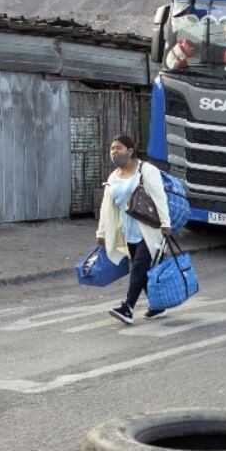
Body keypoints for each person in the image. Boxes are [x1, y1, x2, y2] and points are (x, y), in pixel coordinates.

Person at [97, 136, 173, 325]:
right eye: (112, 148)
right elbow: (106, 206)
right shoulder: (113, 176)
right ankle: (157, 307)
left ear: (130, 151)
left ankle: (128, 308)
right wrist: (102, 232)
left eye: (118, 148)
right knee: (141, 270)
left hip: (150, 229)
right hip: (128, 231)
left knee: (138, 267)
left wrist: (165, 224)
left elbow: (159, 197)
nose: (114, 151)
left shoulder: (146, 171)